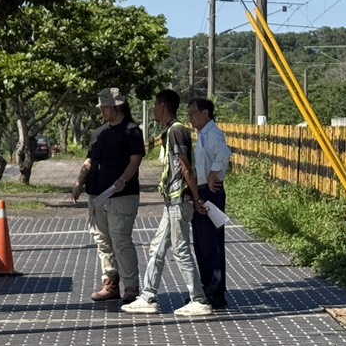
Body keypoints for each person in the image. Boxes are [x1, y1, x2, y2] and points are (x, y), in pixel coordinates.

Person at [122, 90, 212, 317]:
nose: (153, 110)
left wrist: (195, 197)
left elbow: (185, 168)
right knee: (157, 248)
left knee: (180, 250)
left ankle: (198, 299)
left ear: (163, 106)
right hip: (172, 201)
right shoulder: (171, 132)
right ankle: (148, 296)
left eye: (155, 106)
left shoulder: (176, 132)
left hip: (178, 201)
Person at [72, 86, 145, 303]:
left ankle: (131, 286)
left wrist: (123, 180)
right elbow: (89, 160)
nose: (102, 111)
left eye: (105, 107)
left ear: (116, 107)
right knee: (103, 240)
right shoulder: (99, 133)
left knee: (121, 239)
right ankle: (110, 282)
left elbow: (135, 159)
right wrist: (79, 182)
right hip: (97, 194)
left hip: (122, 195)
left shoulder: (132, 130)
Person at [187, 96, 229, 309]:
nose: (191, 117)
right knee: (202, 243)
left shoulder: (213, 134)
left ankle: (215, 291)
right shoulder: (202, 135)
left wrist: (213, 173)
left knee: (212, 243)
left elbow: (223, 153)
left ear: (205, 113)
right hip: (202, 191)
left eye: (194, 113)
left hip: (211, 192)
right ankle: (206, 287)